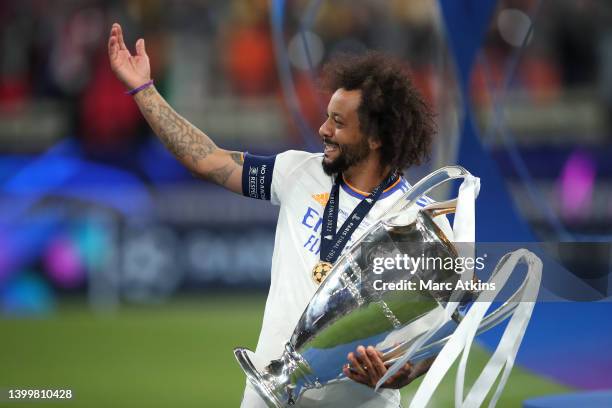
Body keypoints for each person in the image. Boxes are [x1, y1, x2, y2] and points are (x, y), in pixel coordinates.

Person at [108, 23, 452, 407]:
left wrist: (406, 368)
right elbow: (208, 160)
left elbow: (445, 329)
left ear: (376, 138)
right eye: (327, 117)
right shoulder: (297, 172)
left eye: (339, 123)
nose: (323, 129)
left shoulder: (421, 222)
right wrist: (144, 90)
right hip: (268, 395)